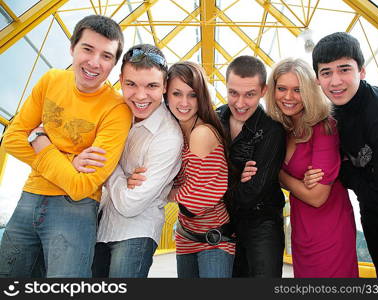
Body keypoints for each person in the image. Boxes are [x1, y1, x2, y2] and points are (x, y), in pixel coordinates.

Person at [0, 15, 131, 278]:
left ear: (114, 64)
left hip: (76, 209)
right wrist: (69, 162)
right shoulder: (51, 80)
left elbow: (82, 185)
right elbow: (13, 138)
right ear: (72, 48)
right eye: (87, 49)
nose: (94, 63)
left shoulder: (117, 109)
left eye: (106, 56)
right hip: (29, 197)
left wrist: (39, 141)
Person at [309, 32, 378, 277]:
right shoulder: (334, 112)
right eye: (326, 72)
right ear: (317, 79)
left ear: (362, 71)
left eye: (344, 69)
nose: (335, 81)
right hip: (375, 224)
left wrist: (345, 171)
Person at [244, 58, 358, 277]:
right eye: (282, 88)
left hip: (330, 228)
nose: (288, 97)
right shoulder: (282, 128)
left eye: (297, 90)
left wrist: (277, 173)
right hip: (301, 227)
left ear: (309, 90)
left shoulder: (324, 127)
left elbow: (317, 196)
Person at [79, 44, 182, 278]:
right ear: (120, 80)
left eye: (152, 86)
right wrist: (120, 177)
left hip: (135, 232)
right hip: (99, 226)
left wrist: (108, 165)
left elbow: (130, 204)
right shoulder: (112, 111)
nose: (141, 95)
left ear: (164, 86)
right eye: (131, 84)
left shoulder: (167, 136)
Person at [216, 55, 286, 277]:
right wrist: (236, 177)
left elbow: (253, 192)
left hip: (262, 225)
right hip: (224, 223)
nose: (239, 103)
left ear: (264, 91)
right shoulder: (215, 118)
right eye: (233, 93)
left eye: (250, 95)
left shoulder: (271, 129)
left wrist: (217, 182)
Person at [163, 61, 235, 278]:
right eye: (177, 93)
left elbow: (197, 200)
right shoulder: (175, 132)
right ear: (166, 94)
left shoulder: (201, 133)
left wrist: (164, 192)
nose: (184, 102)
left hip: (214, 239)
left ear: (201, 97)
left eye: (192, 95)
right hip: (186, 236)